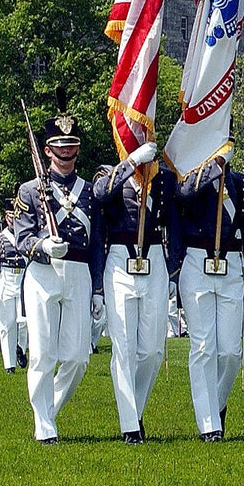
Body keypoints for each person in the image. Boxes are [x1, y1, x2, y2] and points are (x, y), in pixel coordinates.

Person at [13, 110, 113, 444]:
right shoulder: (30, 191)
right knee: (42, 354)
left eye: (71, 147)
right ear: (47, 150)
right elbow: (22, 237)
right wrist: (42, 245)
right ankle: (44, 425)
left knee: (77, 358)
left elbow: (98, 242)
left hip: (79, 271)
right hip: (43, 273)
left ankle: (47, 411)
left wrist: (97, 289)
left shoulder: (89, 192)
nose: (66, 154)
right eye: (60, 147)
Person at [170, 150, 244, 441]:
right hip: (197, 263)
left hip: (232, 264)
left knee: (232, 352)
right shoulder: (189, 181)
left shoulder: (243, 186)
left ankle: (216, 403)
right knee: (203, 347)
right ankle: (209, 425)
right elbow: (184, 196)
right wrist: (213, 168)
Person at [95, 138, 167, 444]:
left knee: (152, 350)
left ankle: (134, 407)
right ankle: (130, 424)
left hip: (153, 258)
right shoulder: (110, 174)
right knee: (123, 346)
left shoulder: (159, 178)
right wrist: (132, 162)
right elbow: (100, 194)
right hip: (121, 260)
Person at [0, 211, 29, 373]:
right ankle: (9, 364)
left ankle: (20, 347)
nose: (12, 220)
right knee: (7, 325)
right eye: (9, 216)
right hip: (6, 280)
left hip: (23, 277)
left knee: (24, 322)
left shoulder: (27, 235)